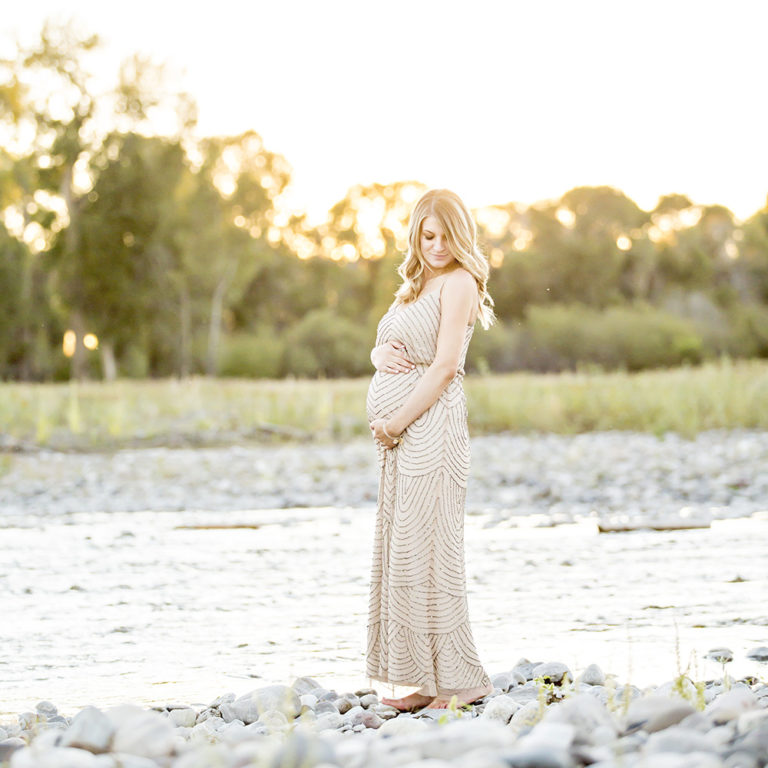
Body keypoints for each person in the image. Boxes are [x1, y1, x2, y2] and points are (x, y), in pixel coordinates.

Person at [365, 188, 495, 711]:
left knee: (431, 551)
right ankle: (420, 679)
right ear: (417, 236)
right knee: (404, 552)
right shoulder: (416, 285)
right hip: (401, 440)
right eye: (428, 235)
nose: (437, 245)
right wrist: (377, 353)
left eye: (445, 236)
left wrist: (394, 421)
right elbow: (390, 345)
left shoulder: (460, 282)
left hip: (430, 430)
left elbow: (444, 367)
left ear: (460, 235)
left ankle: (462, 683)